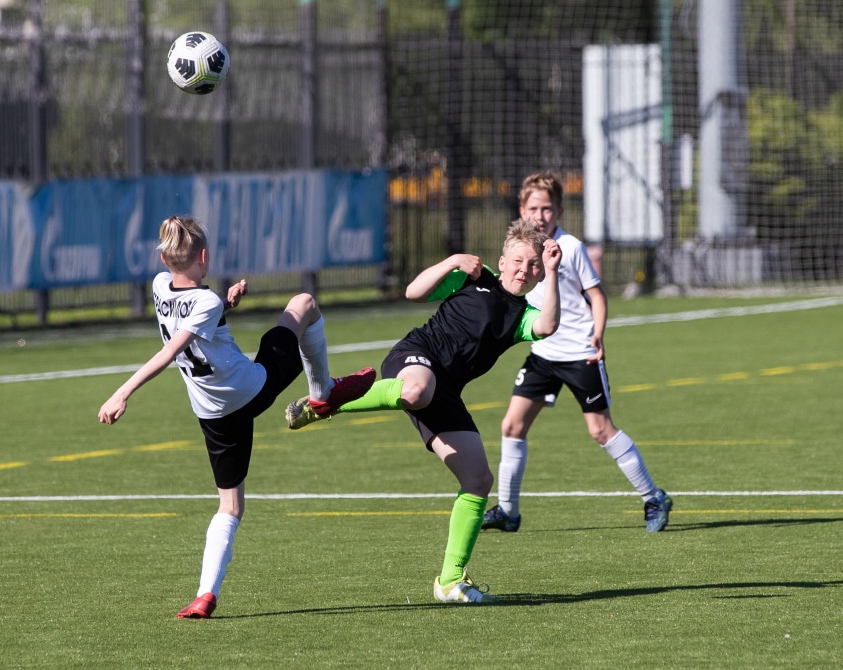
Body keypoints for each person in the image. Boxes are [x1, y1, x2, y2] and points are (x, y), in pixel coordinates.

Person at [98, 215, 376, 619]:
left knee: (229, 507)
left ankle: (204, 595)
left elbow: (191, 317)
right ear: (205, 257)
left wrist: (226, 302)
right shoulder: (206, 302)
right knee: (304, 305)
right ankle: (323, 395)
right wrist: (122, 393)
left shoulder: (160, 287)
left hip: (212, 414)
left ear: (164, 260)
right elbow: (170, 350)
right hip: (252, 390)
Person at [286, 219, 561, 603]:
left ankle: (450, 582)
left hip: (445, 391)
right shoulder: (471, 280)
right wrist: (452, 261)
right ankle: (329, 397)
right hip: (415, 357)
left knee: (478, 480)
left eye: (533, 266)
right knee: (416, 389)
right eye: (518, 261)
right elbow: (413, 292)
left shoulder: (521, 317)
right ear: (502, 261)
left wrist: (552, 272)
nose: (524, 270)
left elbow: (548, 326)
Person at [481, 171, 673, 534]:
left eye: (548, 208)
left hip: (579, 352)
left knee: (600, 430)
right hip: (543, 353)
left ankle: (653, 497)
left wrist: (598, 334)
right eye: (534, 207)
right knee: (512, 425)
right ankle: (508, 511)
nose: (541, 215)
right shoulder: (520, 250)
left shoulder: (570, 247)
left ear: (560, 211)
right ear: (522, 209)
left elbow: (596, 297)